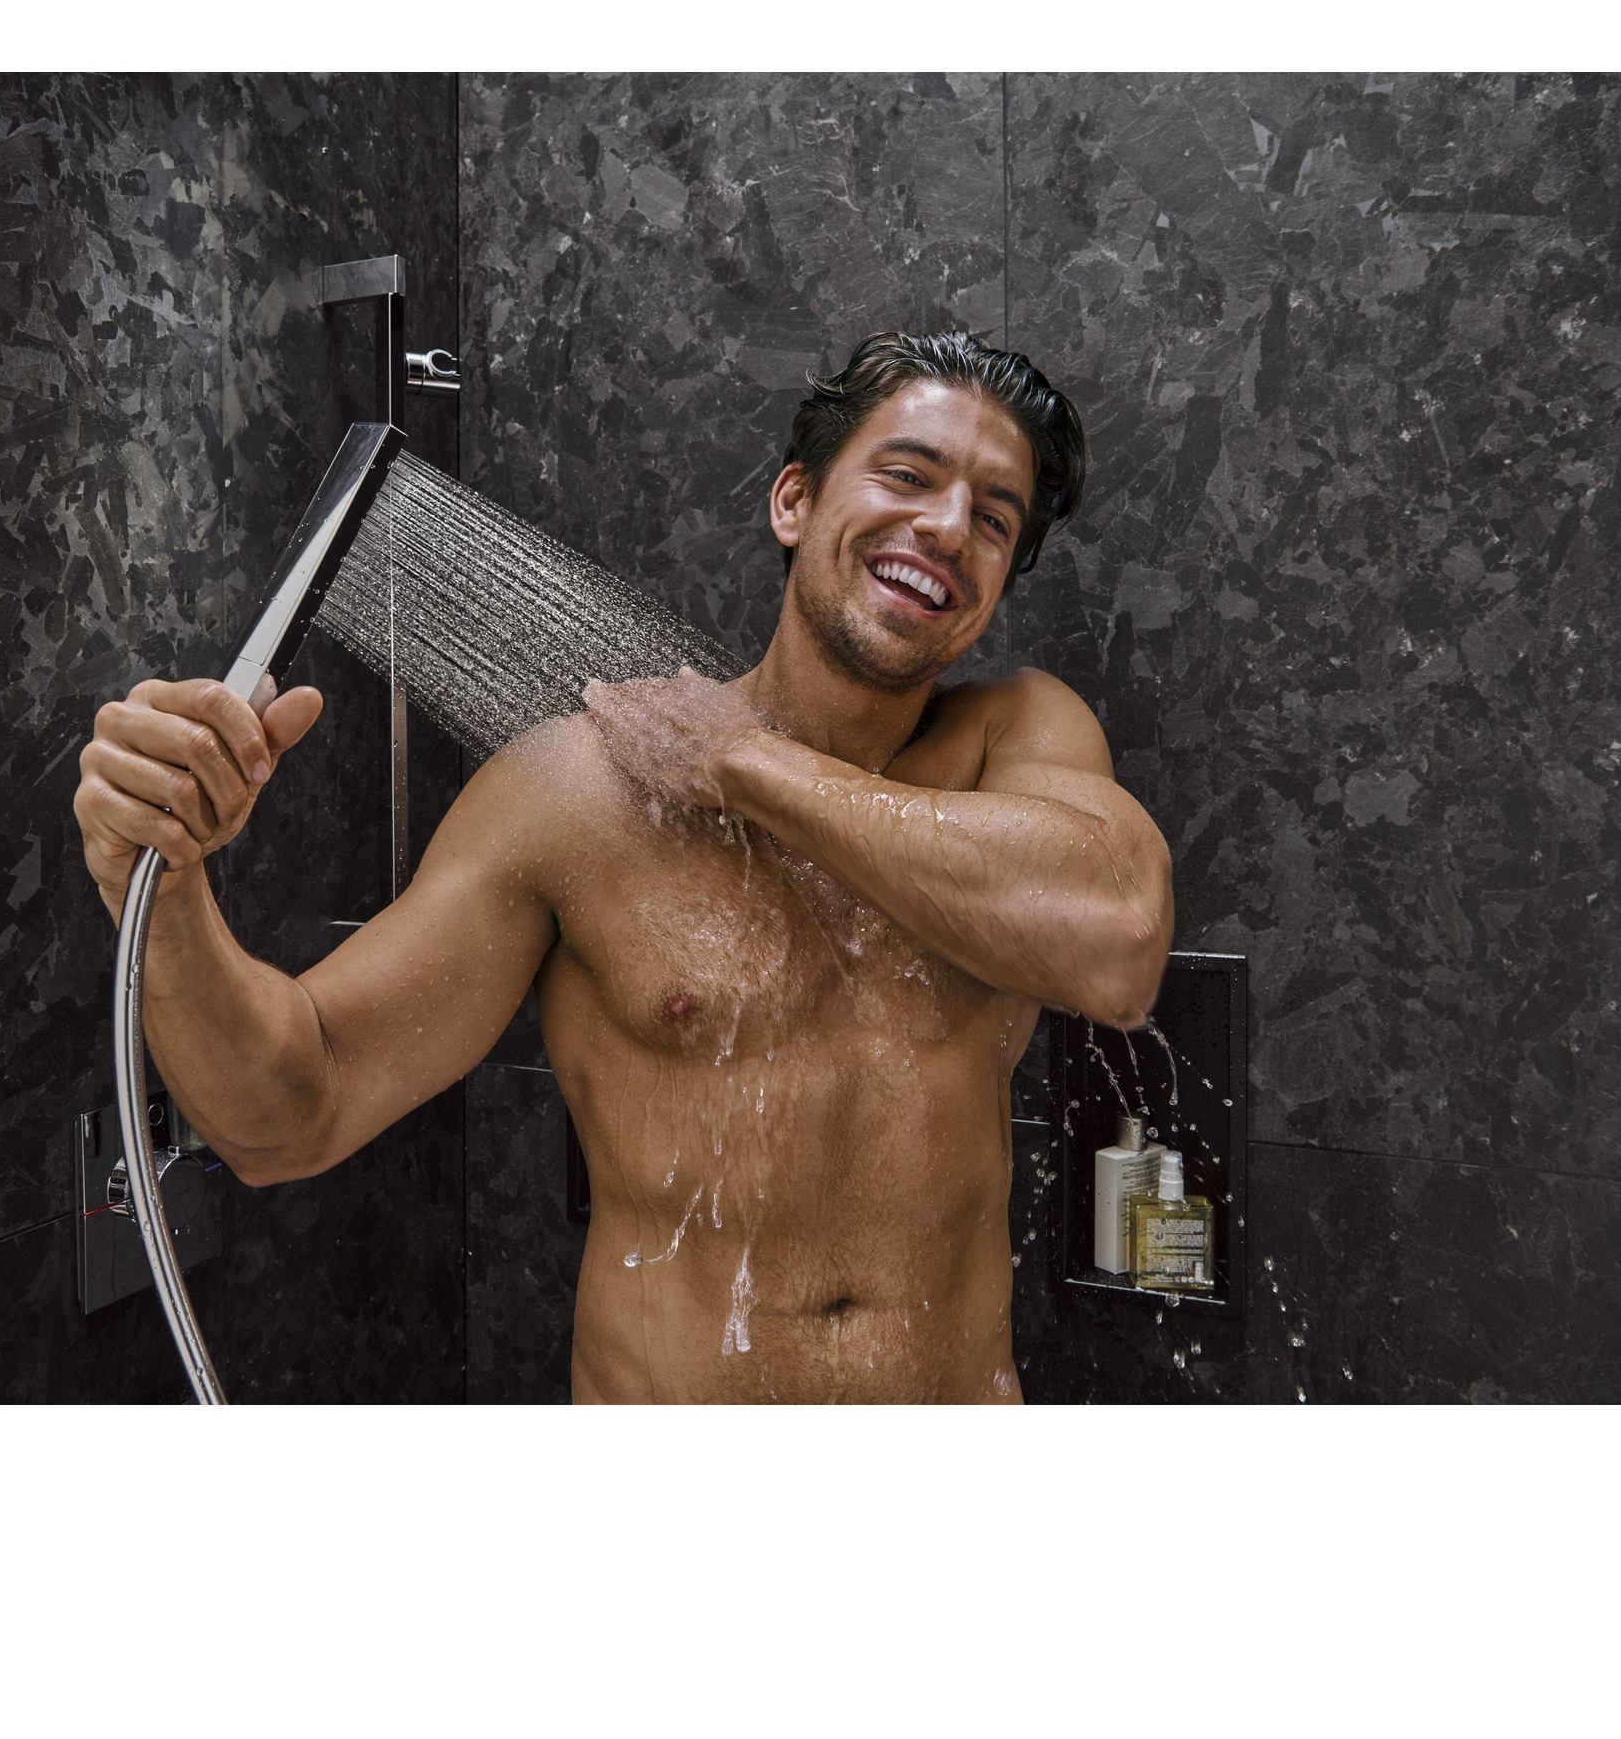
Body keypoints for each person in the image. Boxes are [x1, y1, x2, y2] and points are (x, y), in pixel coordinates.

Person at [73, 330, 1173, 1401]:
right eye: (907, 475)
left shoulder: (1014, 742)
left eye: (993, 518)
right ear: (794, 501)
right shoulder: (581, 795)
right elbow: (287, 1116)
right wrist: (158, 887)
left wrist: (744, 764)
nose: (946, 527)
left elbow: (1117, 942)